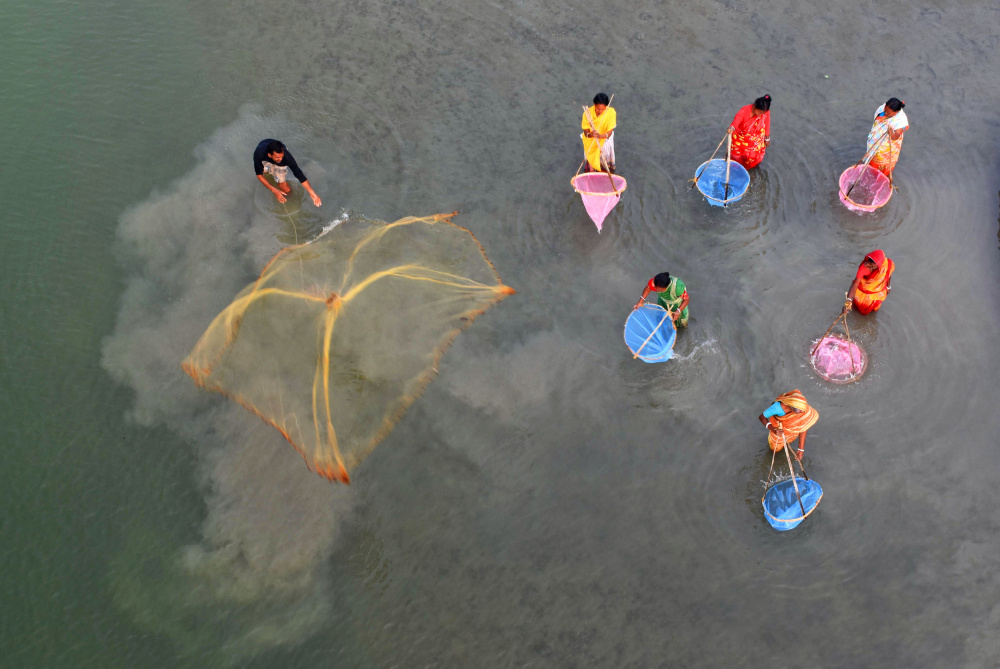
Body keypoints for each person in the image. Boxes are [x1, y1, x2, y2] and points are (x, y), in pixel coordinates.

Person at [253, 139, 322, 206]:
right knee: (264, 172)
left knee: (282, 184)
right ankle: (271, 173)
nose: (281, 159)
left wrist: (312, 193)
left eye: (281, 156)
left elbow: (298, 173)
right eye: (277, 157)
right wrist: (274, 190)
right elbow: (259, 175)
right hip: (265, 160)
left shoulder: (286, 158)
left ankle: (290, 201)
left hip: (279, 164)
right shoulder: (259, 154)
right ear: (269, 155)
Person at [757, 390, 818, 461]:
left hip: (791, 433)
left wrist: (800, 449)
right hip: (778, 430)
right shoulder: (777, 408)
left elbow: (803, 426)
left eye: (802, 410)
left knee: (787, 441)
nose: (801, 413)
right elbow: (762, 417)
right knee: (775, 448)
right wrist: (773, 429)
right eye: (798, 411)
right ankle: (773, 457)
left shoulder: (801, 408)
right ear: (790, 407)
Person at [842, 250, 895, 315]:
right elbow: (855, 284)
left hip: (877, 290)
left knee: (875, 308)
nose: (872, 268)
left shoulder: (885, 265)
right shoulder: (864, 268)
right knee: (859, 306)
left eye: (875, 267)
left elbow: (888, 275)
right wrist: (848, 302)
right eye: (871, 266)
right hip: (864, 289)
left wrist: (888, 286)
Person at [866, 98, 908, 178]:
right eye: (885, 110)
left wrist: (891, 133)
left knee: (882, 166)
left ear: (896, 112)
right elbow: (878, 117)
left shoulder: (900, 122)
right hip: (876, 141)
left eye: (888, 113)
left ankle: (882, 178)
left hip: (886, 148)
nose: (885, 113)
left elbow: (895, 136)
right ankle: (871, 173)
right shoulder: (883, 109)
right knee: (872, 165)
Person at [728, 95, 772, 169]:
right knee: (736, 159)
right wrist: (732, 128)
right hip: (741, 140)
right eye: (759, 112)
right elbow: (736, 121)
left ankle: (751, 168)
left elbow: (767, 124)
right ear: (755, 106)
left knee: (753, 159)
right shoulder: (744, 111)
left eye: (762, 113)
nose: (760, 115)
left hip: (755, 140)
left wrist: (767, 138)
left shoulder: (765, 111)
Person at [581, 93, 617, 173]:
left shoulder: (611, 113)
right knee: (591, 161)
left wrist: (600, 136)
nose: (600, 111)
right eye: (598, 109)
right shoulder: (587, 113)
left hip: (605, 140)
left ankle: (606, 172)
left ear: (606, 107)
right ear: (594, 105)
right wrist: (591, 134)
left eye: (603, 109)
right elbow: (586, 131)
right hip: (590, 141)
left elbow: (609, 132)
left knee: (605, 162)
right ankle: (591, 171)